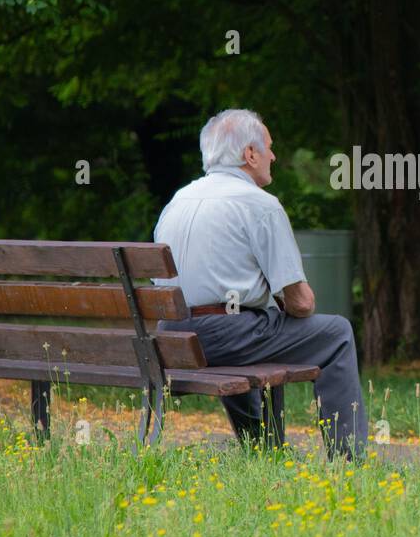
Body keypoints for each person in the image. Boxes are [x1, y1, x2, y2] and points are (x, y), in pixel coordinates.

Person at [152, 108, 368, 460]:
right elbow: (300, 304)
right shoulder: (259, 204)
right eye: (268, 147)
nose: (273, 156)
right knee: (336, 333)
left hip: (171, 335)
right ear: (249, 154)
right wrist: (293, 300)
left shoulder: (177, 201)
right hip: (226, 336)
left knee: (260, 324)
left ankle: (266, 452)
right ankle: (349, 460)